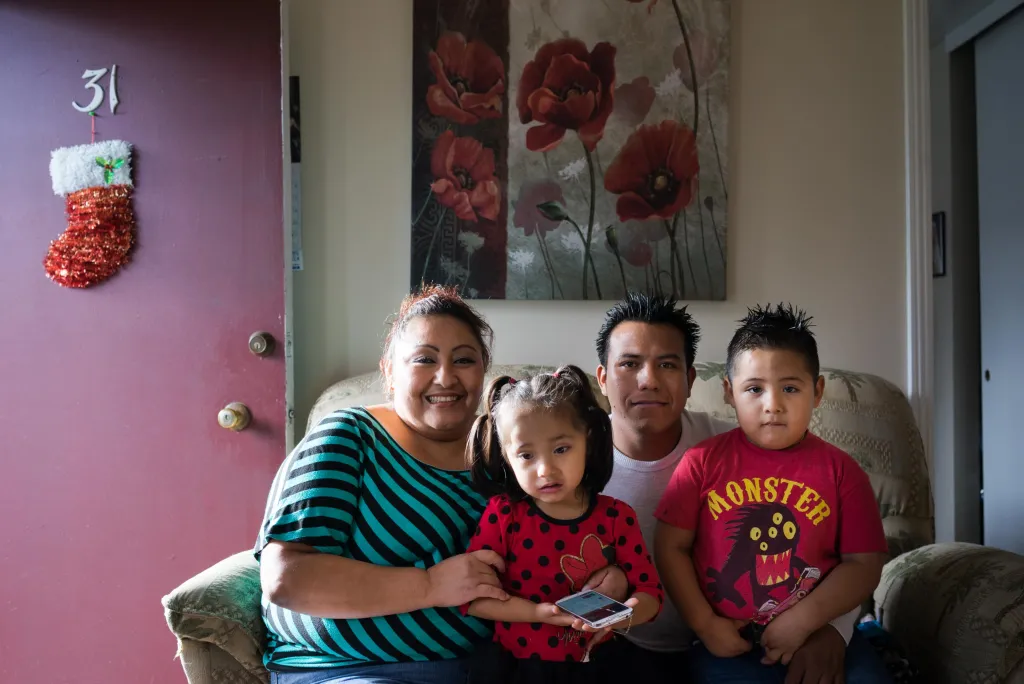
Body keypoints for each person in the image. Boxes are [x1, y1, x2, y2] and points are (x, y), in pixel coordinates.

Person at [254, 286, 625, 684]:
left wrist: (607, 583)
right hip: (348, 670)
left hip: (496, 667)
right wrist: (428, 585)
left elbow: (557, 546)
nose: (445, 377)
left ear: (484, 371)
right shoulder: (349, 436)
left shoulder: (513, 457)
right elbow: (286, 577)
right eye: (424, 359)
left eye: (464, 359)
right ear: (389, 372)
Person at [591, 292, 864, 684]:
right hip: (621, 646)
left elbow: (837, 550)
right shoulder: (567, 461)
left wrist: (833, 629)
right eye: (629, 364)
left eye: (666, 364)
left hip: (747, 645)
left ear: (689, 380)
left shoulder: (740, 449)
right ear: (602, 378)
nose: (648, 380)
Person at [654, 303, 893, 683]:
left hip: (820, 634)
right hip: (729, 642)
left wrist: (805, 620)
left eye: (790, 388)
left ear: (816, 392)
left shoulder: (842, 472)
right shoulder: (701, 462)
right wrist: (704, 625)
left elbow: (864, 563)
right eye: (754, 389)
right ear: (730, 393)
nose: (773, 405)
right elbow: (670, 547)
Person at [463, 365, 663, 684]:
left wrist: (617, 619)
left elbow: (650, 594)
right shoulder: (503, 514)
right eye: (526, 455)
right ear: (505, 455)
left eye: (561, 449)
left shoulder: (617, 516)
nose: (545, 469)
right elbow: (472, 598)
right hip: (518, 665)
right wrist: (538, 614)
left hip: (598, 662)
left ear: (588, 440)